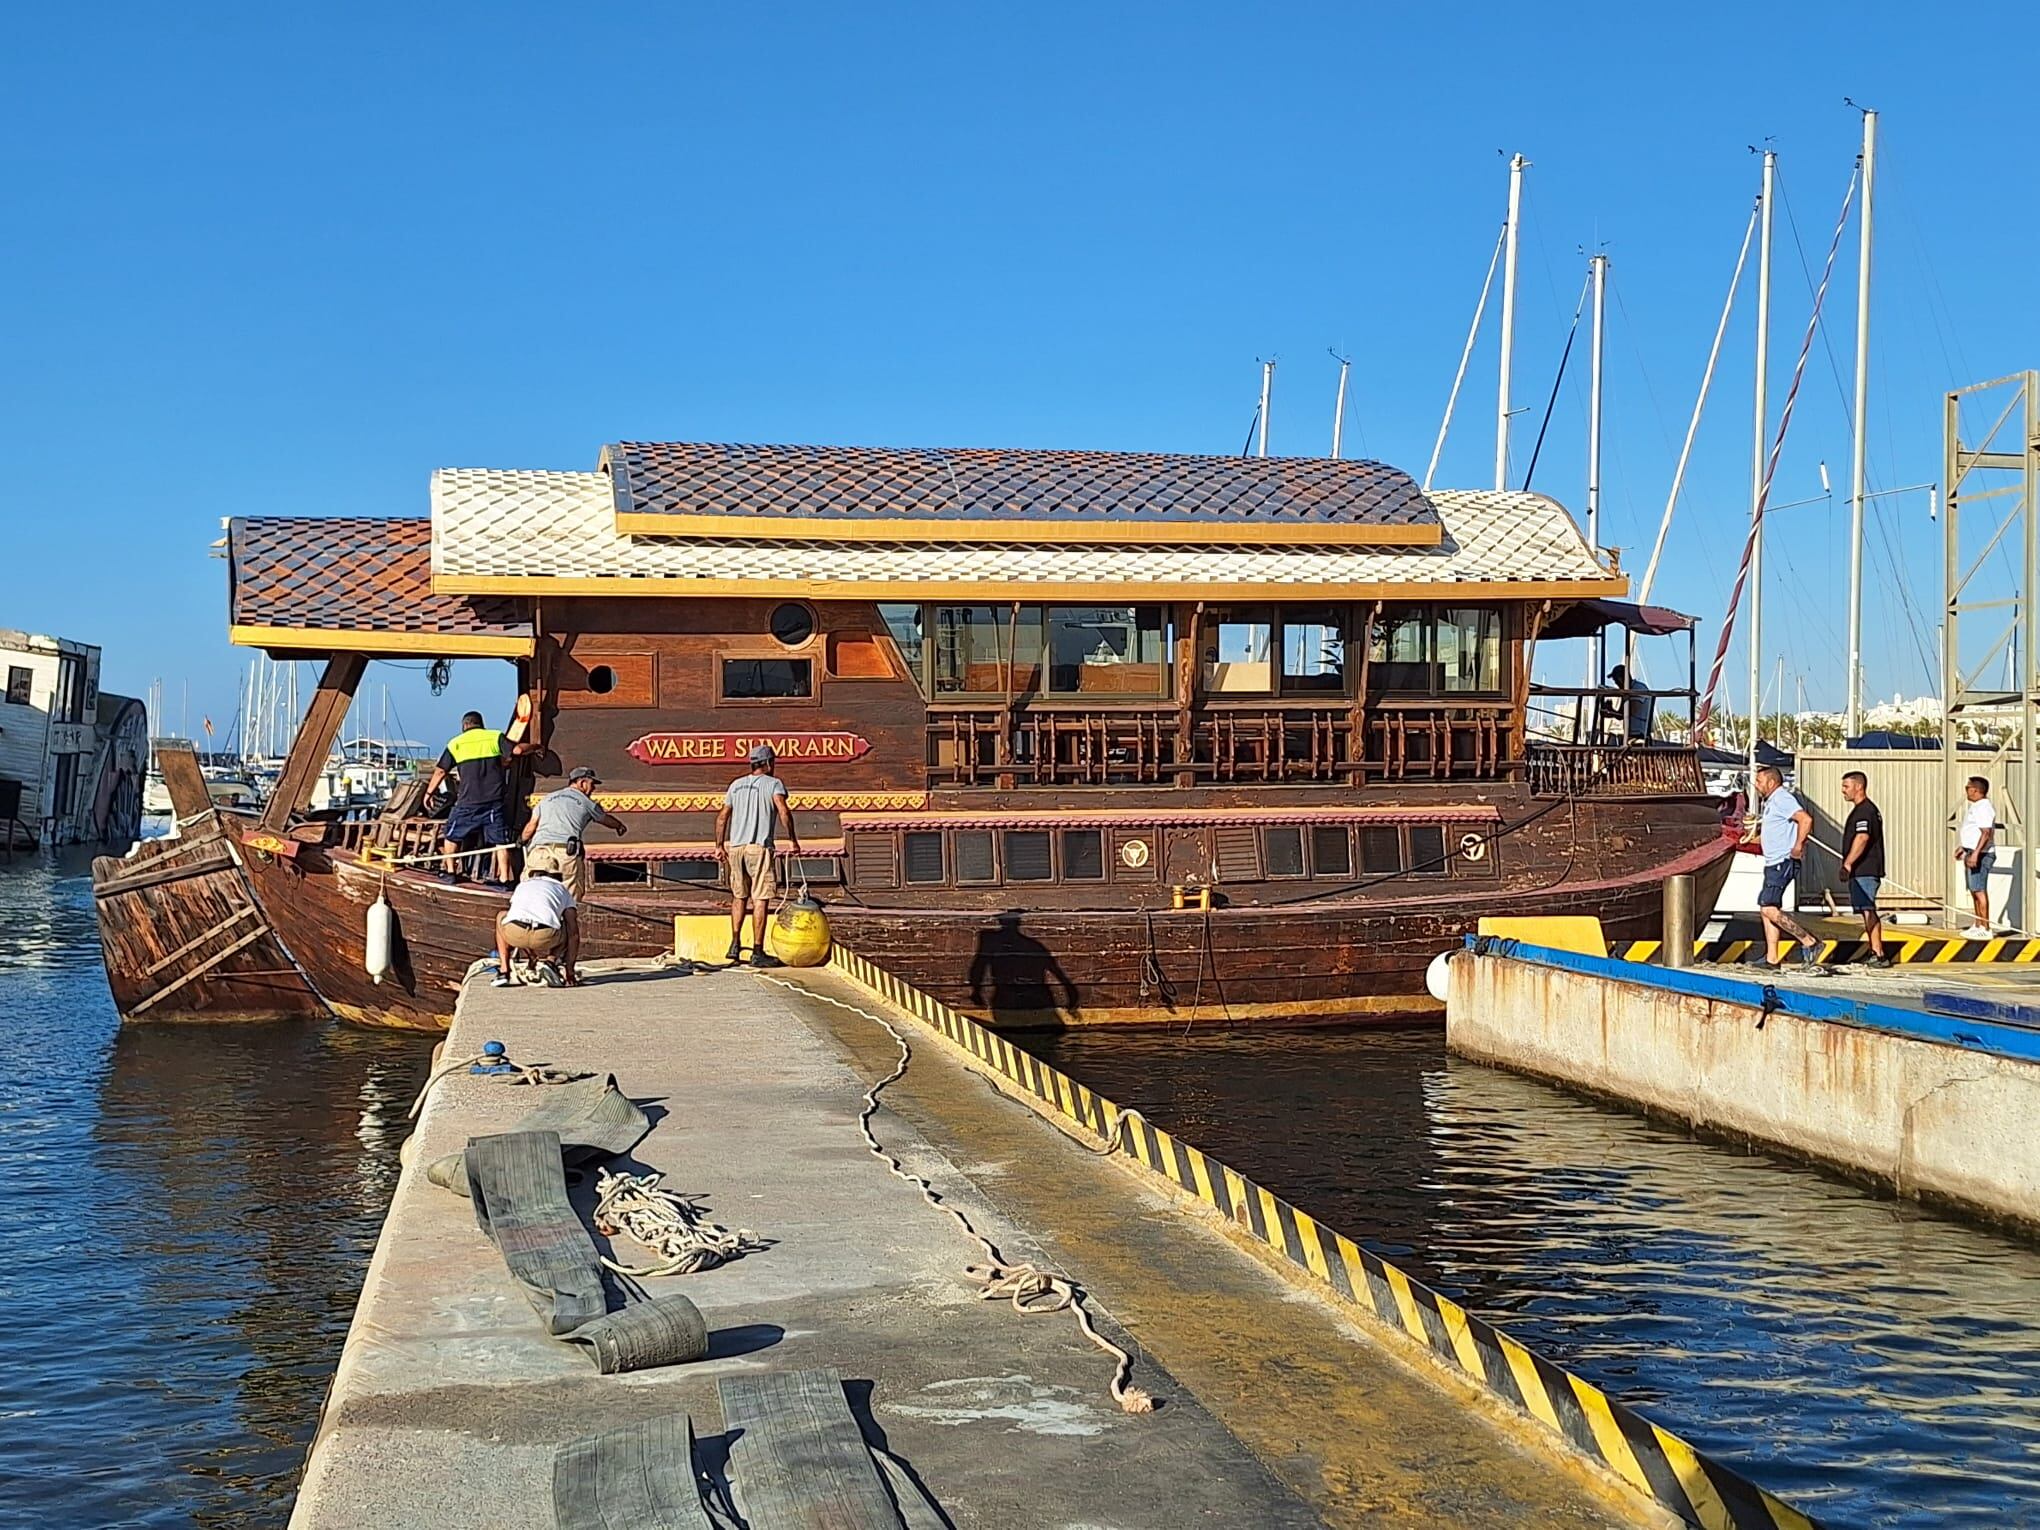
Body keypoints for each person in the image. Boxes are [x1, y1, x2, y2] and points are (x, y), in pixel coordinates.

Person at [714, 743, 802, 967]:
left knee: (739, 896)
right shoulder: (774, 784)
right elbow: (783, 810)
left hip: (735, 848)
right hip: (759, 847)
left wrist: (719, 845)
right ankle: (757, 951)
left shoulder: (736, 785)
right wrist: (792, 839)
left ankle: (734, 945)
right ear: (769, 763)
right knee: (760, 897)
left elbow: (722, 817)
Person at [425, 711, 533, 884]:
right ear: (481, 724)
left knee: (451, 835)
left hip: (468, 802)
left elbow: (440, 771)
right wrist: (535, 747)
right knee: (500, 841)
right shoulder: (494, 737)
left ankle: (451, 872)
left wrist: (429, 792)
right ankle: (505, 879)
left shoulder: (456, 743)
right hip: (493, 802)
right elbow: (518, 750)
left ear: (464, 725)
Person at [1753, 765, 1828, 973]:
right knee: (1766, 909)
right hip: (1772, 862)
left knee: (1768, 907)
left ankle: (1809, 941)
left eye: (1759, 781)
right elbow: (1773, 832)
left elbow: (1805, 819)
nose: (1756, 786)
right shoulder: (1770, 803)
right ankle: (1772, 958)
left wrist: (1798, 845)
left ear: (1771, 782)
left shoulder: (1782, 799)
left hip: (1782, 861)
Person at [521, 765, 625, 897]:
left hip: (539, 851)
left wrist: (521, 841)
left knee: (531, 891)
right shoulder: (587, 803)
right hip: (565, 853)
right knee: (570, 898)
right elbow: (605, 819)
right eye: (592, 784)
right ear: (582, 782)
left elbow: (531, 826)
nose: (593, 788)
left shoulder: (546, 799)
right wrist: (619, 826)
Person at [1836, 770, 1892, 967]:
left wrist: (1848, 863)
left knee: (1868, 909)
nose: (1843, 791)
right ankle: (1873, 950)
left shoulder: (1865, 811)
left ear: (1858, 786)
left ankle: (1878, 953)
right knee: (1864, 909)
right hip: (1862, 870)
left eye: (1846, 786)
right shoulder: (1862, 810)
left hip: (1865, 870)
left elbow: (1862, 837)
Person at [492, 868, 579, 988]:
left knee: (502, 916)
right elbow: (573, 934)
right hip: (545, 936)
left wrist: (531, 954)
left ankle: (504, 971)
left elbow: (519, 916)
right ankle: (551, 962)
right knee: (567, 927)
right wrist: (570, 972)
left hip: (516, 933)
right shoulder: (562, 889)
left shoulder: (523, 885)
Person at [1955, 775, 1997, 939]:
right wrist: (1963, 847)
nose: (1967, 791)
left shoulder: (1984, 807)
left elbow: (1986, 833)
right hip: (1971, 851)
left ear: (1976, 790)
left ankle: (1986, 927)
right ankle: (1978, 923)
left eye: (1968, 788)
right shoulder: (1976, 807)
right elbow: (1972, 831)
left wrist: (1976, 853)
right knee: (1973, 889)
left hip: (1981, 854)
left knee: (1979, 890)